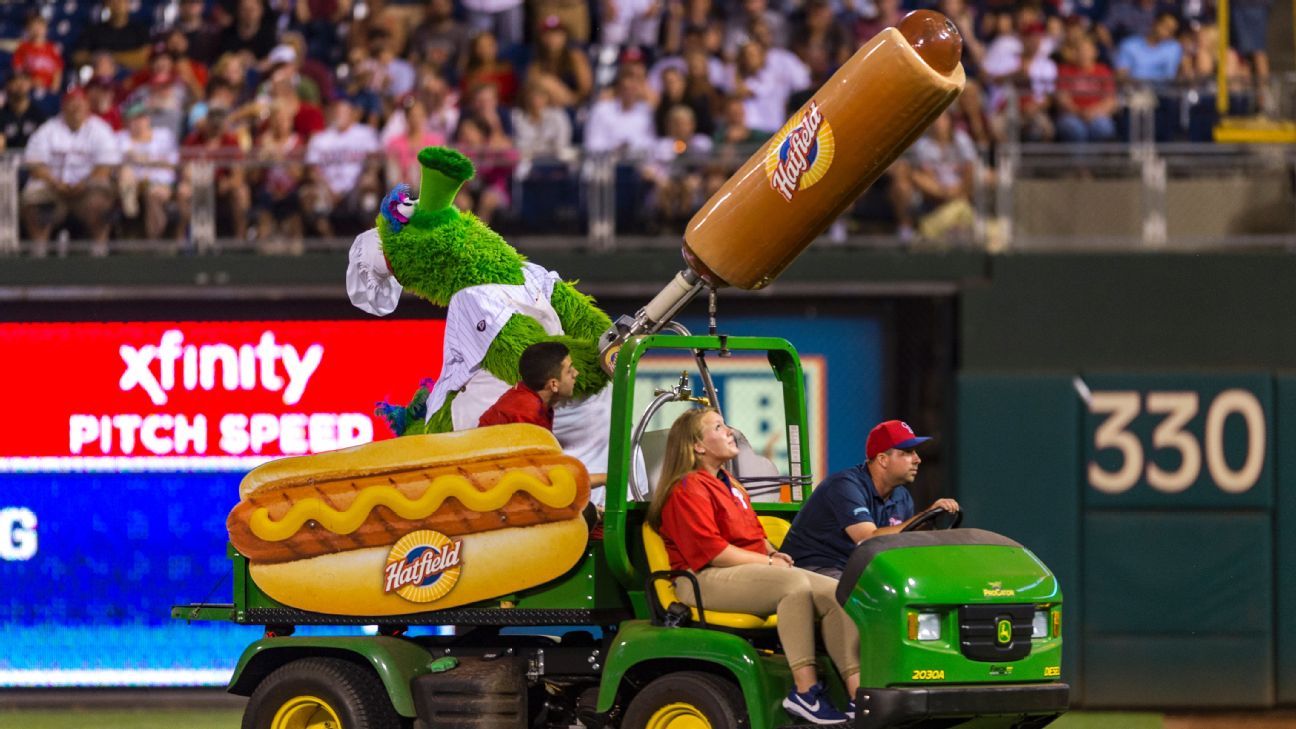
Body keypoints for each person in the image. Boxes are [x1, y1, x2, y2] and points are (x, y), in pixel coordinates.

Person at [647, 408, 861, 724]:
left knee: (835, 592)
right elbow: (715, 552)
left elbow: (752, 534)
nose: (729, 431)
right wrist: (769, 561)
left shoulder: (730, 483)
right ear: (698, 446)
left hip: (742, 573)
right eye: (718, 427)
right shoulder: (688, 487)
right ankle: (806, 693)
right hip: (702, 579)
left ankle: (859, 696)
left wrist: (773, 552)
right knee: (792, 586)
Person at [782, 420, 960, 579]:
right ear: (883, 459)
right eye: (907, 452)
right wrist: (926, 514)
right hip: (810, 569)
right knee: (865, 596)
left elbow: (899, 549)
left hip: (853, 571)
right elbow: (868, 539)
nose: (917, 459)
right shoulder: (844, 485)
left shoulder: (902, 496)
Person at [479, 341, 577, 430]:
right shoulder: (527, 416)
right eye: (569, 371)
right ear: (553, 384)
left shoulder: (529, 394)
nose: (576, 373)